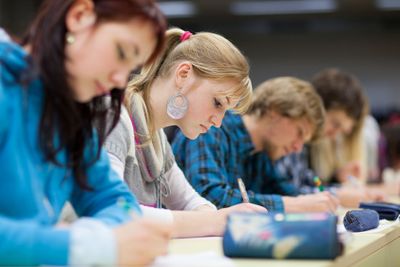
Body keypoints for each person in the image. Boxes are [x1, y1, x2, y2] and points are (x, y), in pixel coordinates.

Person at [0, 0, 171, 266]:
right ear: (80, 16)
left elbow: (116, 199)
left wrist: (103, 238)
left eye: (131, 68)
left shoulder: (71, 117)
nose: (120, 80)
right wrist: (81, 246)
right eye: (122, 52)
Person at [104, 28, 267, 238]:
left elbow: (191, 202)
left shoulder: (157, 139)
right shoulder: (111, 116)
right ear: (183, 75)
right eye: (217, 103)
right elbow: (114, 211)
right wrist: (215, 221)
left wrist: (212, 218)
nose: (218, 122)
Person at [173, 77, 340, 212]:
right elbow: (209, 196)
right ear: (275, 111)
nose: (298, 147)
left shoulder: (262, 153)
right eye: (300, 132)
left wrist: (316, 201)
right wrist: (293, 205)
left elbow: (287, 192)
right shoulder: (211, 128)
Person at [275, 69, 384, 207]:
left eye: (341, 131)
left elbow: (310, 184)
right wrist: (338, 195)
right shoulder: (291, 138)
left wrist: (337, 179)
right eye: (335, 124)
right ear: (317, 107)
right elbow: (288, 192)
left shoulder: (306, 145)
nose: (333, 135)